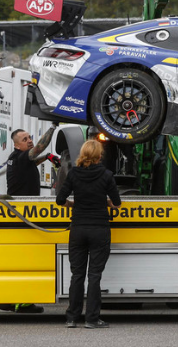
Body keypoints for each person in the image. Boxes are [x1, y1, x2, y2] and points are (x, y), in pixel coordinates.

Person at [56, 139, 121, 329]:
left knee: (77, 274)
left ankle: (71, 317)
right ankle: (92, 319)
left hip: (78, 229)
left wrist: (74, 204)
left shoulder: (74, 173)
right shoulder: (107, 175)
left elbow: (60, 200)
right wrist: (104, 203)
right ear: (99, 156)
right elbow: (116, 203)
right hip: (99, 229)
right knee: (94, 275)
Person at [7, 123, 57, 196]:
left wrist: (46, 157)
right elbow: (39, 147)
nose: (30, 141)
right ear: (16, 146)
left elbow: (32, 163)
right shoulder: (20, 157)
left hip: (21, 203)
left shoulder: (15, 157)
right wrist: (53, 126)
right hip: (21, 205)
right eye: (25, 139)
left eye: (30, 138)